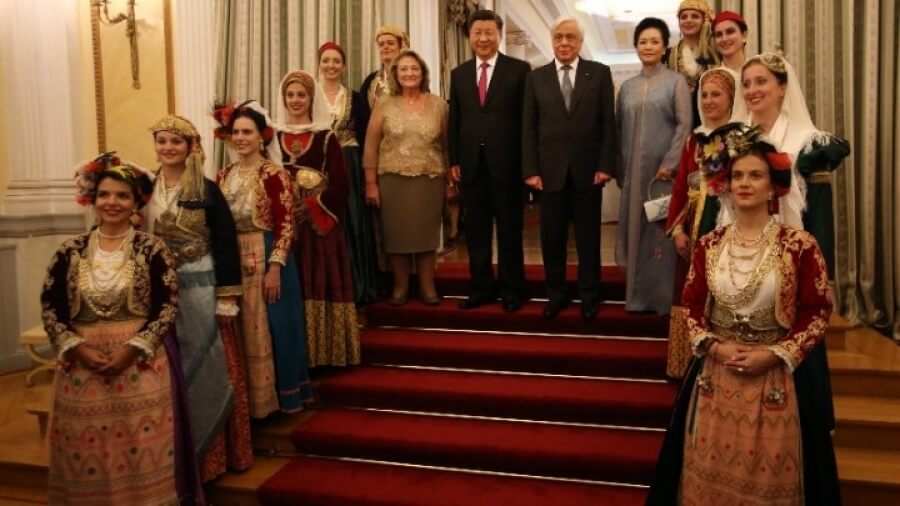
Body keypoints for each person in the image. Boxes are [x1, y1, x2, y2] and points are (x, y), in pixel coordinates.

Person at [646, 125, 840, 505]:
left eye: (755, 175)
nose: (745, 183)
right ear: (727, 184)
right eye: (737, 176)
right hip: (715, 382)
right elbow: (692, 305)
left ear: (773, 187)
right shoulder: (709, 245)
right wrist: (714, 348)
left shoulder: (799, 246)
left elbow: (817, 312)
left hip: (776, 382)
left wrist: (775, 354)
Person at [43, 154, 202, 504]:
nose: (111, 202)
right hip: (81, 370)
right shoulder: (69, 251)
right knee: (86, 454)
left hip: (140, 368)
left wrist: (132, 348)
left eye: (121, 196)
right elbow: (52, 308)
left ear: (135, 203)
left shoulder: (153, 250)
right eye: (104, 195)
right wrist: (78, 348)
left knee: (139, 450)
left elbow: (166, 307)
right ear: (92, 199)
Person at [146, 114, 253, 480]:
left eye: (175, 141)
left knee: (210, 364)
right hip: (160, 293)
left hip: (202, 289)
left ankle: (214, 458)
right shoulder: (145, 189)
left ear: (190, 147)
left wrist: (227, 297)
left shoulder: (207, 190)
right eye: (162, 141)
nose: (168, 148)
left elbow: (225, 245)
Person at [212, 100, 313, 416]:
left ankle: (282, 398)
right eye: (236, 132)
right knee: (241, 329)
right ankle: (249, 404)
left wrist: (275, 268)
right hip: (234, 259)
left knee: (277, 327)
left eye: (247, 132)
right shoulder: (223, 175)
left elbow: (286, 225)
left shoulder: (273, 174)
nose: (240, 138)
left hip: (268, 255)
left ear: (261, 136)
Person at [521, 16, 616, 320]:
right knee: (552, 241)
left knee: (589, 240)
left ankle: (589, 296)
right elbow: (528, 128)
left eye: (570, 37)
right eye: (559, 37)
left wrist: (605, 165)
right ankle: (556, 295)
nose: (564, 42)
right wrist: (530, 170)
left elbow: (608, 124)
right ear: (552, 41)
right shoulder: (536, 78)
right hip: (549, 174)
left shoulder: (599, 73)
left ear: (580, 42)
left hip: (589, 172)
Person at [276, 69, 360, 367]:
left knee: (319, 281)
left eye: (302, 94)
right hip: (284, 227)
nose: (296, 100)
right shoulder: (273, 137)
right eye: (290, 95)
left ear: (312, 98)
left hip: (318, 230)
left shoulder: (326, 137)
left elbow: (341, 184)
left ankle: (325, 354)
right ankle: (294, 357)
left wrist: (312, 206)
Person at [448, 9, 531, 312]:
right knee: (477, 233)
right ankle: (481, 288)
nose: (483, 38)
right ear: (469, 37)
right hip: (472, 166)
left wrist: (528, 165)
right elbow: (455, 120)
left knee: (509, 231)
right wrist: (455, 159)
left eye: (489, 32)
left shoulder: (519, 70)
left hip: (508, 166)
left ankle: (512, 289)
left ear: (499, 35)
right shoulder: (458, 74)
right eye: (477, 33)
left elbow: (527, 122)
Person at [740, 51, 850, 276]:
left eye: (761, 81)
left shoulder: (807, 143)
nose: (752, 90)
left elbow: (819, 216)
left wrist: (821, 275)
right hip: (739, 257)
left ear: (782, 87)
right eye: (746, 84)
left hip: (789, 257)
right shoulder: (733, 140)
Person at [664, 70, 741, 378]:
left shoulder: (741, 138)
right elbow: (680, 188)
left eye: (716, 94)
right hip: (693, 228)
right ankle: (686, 365)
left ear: (731, 98)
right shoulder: (693, 141)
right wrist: (677, 230)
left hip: (729, 226)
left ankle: (724, 362)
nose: (709, 101)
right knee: (690, 293)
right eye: (704, 95)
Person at [615, 17, 693, 315]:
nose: (648, 46)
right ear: (636, 46)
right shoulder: (627, 87)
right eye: (643, 41)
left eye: (654, 41)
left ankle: (661, 299)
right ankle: (635, 296)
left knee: (661, 232)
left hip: (663, 174)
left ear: (664, 47)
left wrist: (670, 163)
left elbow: (684, 125)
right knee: (635, 230)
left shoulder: (676, 82)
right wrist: (621, 170)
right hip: (633, 175)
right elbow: (618, 129)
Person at [363, 49, 449, 306]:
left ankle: (427, 286)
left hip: (429, 179)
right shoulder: (384, 104)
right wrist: (370, 184)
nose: (409, 73)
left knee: (426, 235)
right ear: (396, 74)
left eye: (414, 68)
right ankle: (400, 287)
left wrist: (451, 182)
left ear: (422, 73)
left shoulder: (439, 105)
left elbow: (447, 146)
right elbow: (371, 146)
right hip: (392, 180)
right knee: (396, 235)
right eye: (403, 69)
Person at [318, 41, 380, 306]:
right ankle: (328, 289)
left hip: (350, 165)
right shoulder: (310, 96)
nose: (331, 65)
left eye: (336, 61)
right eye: (326, 60)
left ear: (344, 66)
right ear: (319, 64)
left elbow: (367, 139)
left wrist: (368, 177)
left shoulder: (355, 98)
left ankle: (357, 286)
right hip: (320, 168)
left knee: (352, 223)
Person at [666, 0, 718, 127]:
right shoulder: (668, 55)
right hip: (680, 121)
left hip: (713, 117)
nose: (688, 20)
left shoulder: (716, 52)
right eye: (684, 17)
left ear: (704, 20)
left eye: (694, 16)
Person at [711, 10, 750, 122]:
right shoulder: (709, 78)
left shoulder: (759, 73)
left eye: (730, 32)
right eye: (719, 34)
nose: (724, 39)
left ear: (744, 35)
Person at [360, 26, 410, 110]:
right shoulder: (370, 80)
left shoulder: (412, 76)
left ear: (400, 47)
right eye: (381, 44)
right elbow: (361, 112)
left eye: (390, 43)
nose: (385, 47)